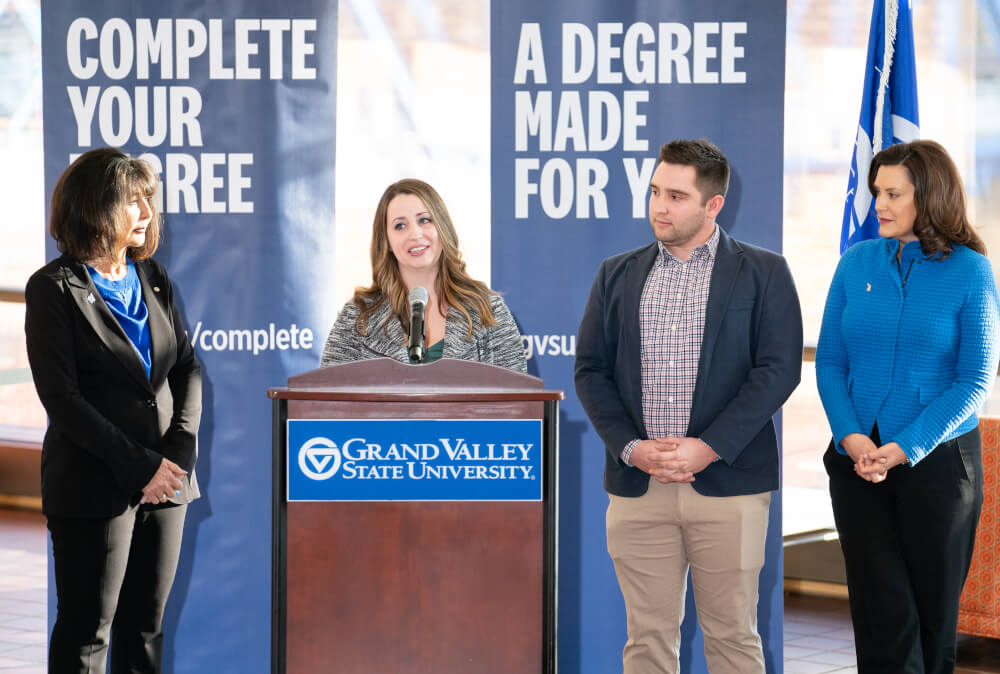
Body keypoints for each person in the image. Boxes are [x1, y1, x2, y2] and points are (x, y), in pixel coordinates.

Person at [574, 139, 803, 673]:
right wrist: (632, 448)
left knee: (732, 639)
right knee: (647, 641)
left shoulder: (765, 272)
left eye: (676, 196)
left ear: (712, 205)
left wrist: (710, 447)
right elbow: (590, 369)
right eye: (655, 191)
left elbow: (777, 370)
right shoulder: (616, 273)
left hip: (729, 485)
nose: (659, 206)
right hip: (640, 488)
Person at [816, 139, 999, 673]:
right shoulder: (856, 263)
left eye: (894, 193)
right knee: (879, 612)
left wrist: (906, 447)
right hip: (857, 461)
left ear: (931, 195)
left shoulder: (970, 271)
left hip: (938, 466)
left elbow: (975, 380)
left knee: (931, 617)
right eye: (877, 192)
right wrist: (851, 437)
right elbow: (829, 362)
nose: (881, 204)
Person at [24, 148, 201, 674]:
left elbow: (186, 370)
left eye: (148, 197)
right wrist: (141, 467)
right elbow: (63, 400)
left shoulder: (155, 278)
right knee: (87, 635)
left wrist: (177, 455)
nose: (146, 209)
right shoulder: (52, 289)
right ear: (96, 206)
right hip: (93, 486)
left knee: (145, 631)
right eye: (133, 199)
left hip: (168, 485)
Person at [321, 178, 527, 372]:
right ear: (387, 242)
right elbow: (325, 400)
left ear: (442, 228)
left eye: (425, 220)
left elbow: (519, 401)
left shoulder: (486, 308)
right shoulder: (358, 316)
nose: (415, 234)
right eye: (400, 226)